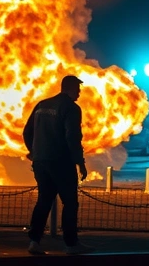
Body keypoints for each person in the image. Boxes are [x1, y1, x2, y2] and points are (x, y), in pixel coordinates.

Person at [23, 74, 94, 255]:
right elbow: (73, 137)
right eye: (77, 90)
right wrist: (80, 163)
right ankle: (71, 244)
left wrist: (35, 152)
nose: (79, 93)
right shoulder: (71, 108)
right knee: (70, 203)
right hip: (61, 163)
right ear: (70, 88)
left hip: (41, 162)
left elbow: (27, 132)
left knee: (43, 201)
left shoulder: (42, 105)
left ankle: (34, 242)